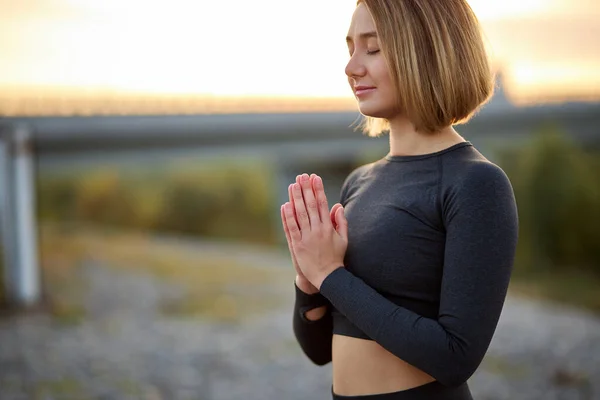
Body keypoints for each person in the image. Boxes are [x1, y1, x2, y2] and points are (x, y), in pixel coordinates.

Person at [280, 1, 519, 399]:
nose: (352, 67)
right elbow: (320, 351)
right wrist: (309, 283)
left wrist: (330, 275)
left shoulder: (477, 183)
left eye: (372, 49)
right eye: (351, 49)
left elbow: (456, 357)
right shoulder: (360, 182)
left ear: (425, 52)